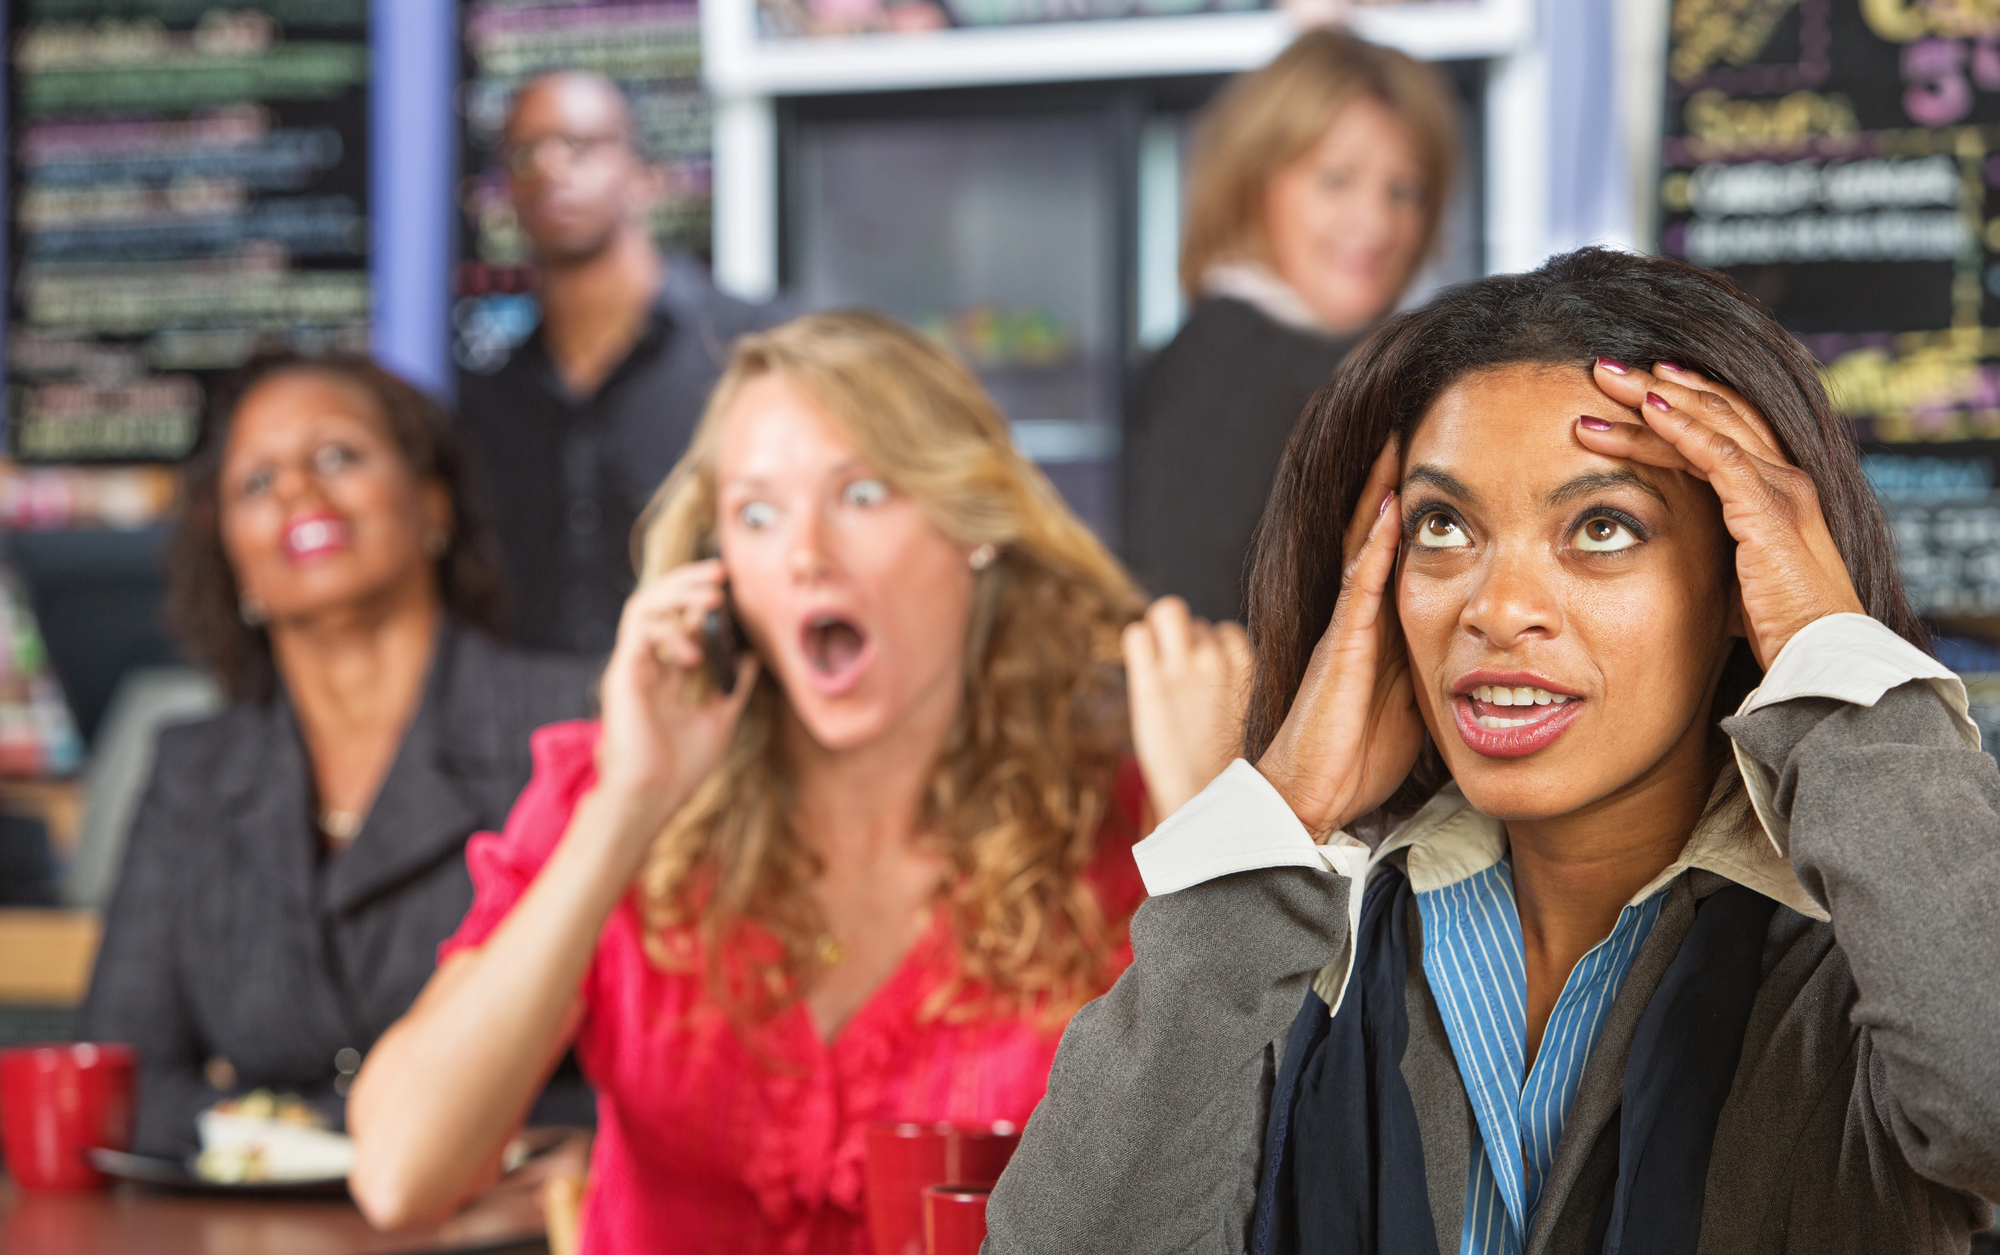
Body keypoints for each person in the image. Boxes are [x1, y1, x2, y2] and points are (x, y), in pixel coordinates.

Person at [986, 249, 2000, 1254]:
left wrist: (1822, 643)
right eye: (1442, 525)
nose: (1497, 608)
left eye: (1601, 527)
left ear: (1742, 580)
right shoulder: (1297, 950)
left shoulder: (1872, 949)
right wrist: (1284, 805)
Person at [346, 311, 1249, 1251]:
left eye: (861, 494)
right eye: (758, 514)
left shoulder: (1133, 823)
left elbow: (1242, 1195)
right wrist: (628, 804)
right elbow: (404, 1169)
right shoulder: (608, 793)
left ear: (970, 526)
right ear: (720, 569)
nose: (806, 555)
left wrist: (1214, 836)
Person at [81, 355, 600, 1157]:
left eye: (337, 456)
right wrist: (305, 1140)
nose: (297, 490)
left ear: (433, 504)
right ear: (233, 558)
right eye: (257, 482)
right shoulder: (194, 769)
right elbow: (125, 1079)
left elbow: (662, 1066)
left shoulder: (575, 724)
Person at [1125, 28, 1459, 622]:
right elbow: (1198, 632)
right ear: (1253, 187)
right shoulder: (1216, 371)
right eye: (1336, 180)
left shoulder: (1359, 359)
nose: (1375, 222)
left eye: (1403, 191)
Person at [456, 70, 781, 656]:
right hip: (541, 735)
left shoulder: (756, 352)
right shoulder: (489, 397)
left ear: (646, 177)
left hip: (725, 716)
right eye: (525, 153)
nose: (550, 168)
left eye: (580, 146)